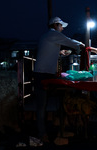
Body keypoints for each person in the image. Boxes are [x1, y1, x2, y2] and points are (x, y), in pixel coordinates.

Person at [34, 16, 85, 144]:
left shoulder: (48, 37)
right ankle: (42, 135)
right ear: (56, 25)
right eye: (61, 26)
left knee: (50, 103)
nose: (62, 28)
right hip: (43, 74)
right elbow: (71, 41)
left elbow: (50, 50)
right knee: (42, 106)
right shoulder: (53, 34)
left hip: (45, 73)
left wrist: (60, 52)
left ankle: (58, 130)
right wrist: (82, 45)